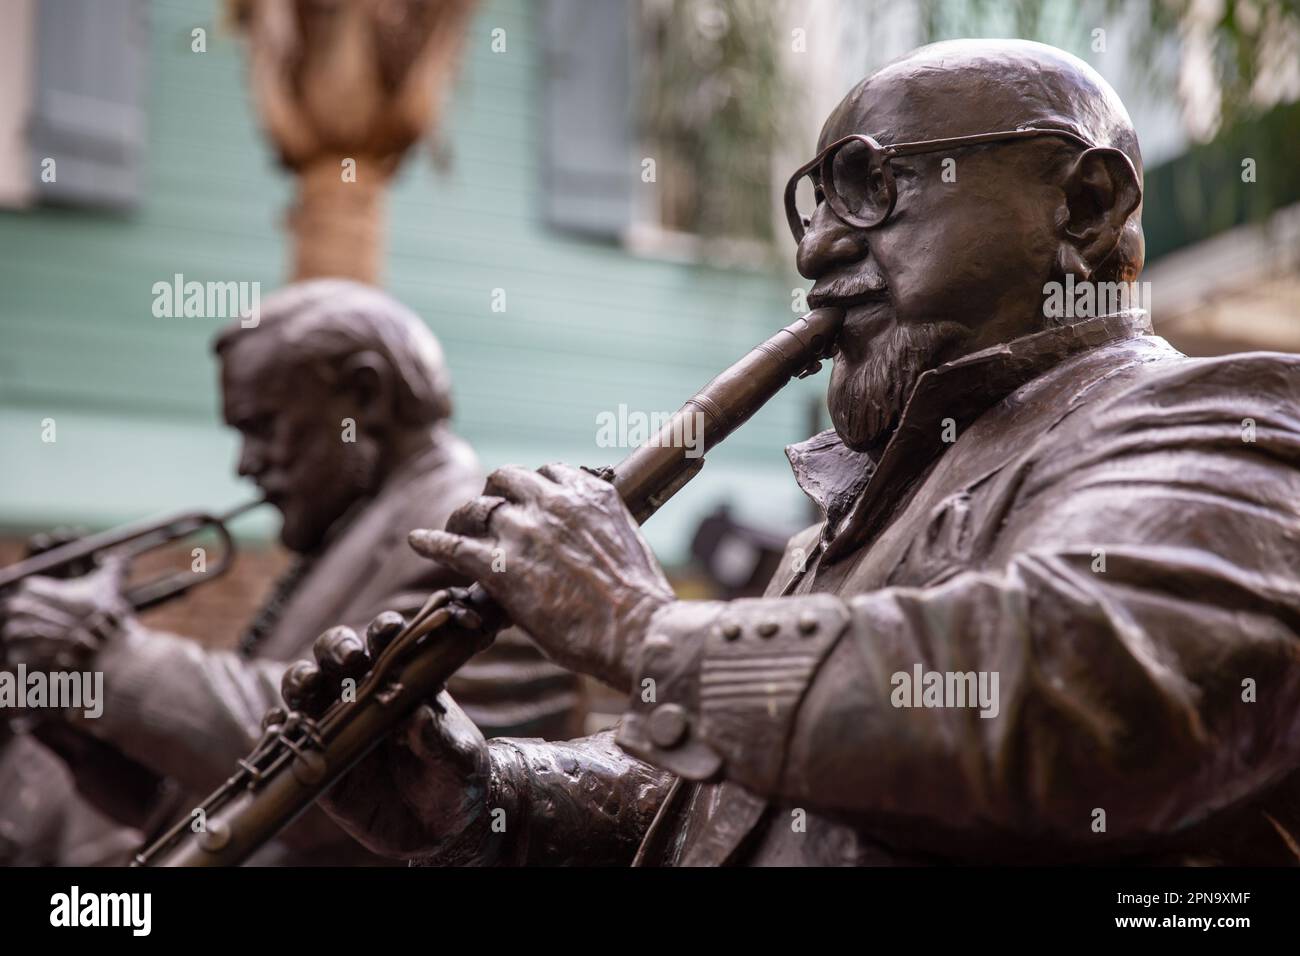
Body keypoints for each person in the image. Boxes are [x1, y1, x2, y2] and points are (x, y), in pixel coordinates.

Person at [290, 40, 1300, 866]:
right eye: (813, 202)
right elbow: (725, 799)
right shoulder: (867, 510)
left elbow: (1063, 692)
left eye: (869, 184)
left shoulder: (1213, 418)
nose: (817, 246)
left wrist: (637, 629)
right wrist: (489, 792)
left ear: (1080, 207)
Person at [0, 279, 578, 864]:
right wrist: (67, 704)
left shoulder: (471, 536)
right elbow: (216, 796)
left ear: (366, 395)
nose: (246, 464)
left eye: (262, 427)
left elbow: (342, 768)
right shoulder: (348, 537)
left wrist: (100, 654)